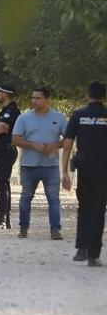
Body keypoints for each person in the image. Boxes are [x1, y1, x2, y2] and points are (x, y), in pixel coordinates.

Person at [62, 81, 107, 266]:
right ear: (103, 97)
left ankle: (81, 249)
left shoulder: (79, 115)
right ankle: (93, 256)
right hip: (104, 168)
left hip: (85, 167)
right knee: (98, 210)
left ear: (87, 96)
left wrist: (64, 172)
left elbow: (67, 144)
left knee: (84, 208)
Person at [12, 87, 66, 240]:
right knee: (26, 197)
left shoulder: (59, 117)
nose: (34, 101)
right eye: (33, 98)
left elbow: (67, 139)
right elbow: (15, 139)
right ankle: (23, 228)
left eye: (38, 98)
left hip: (51, 166)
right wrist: (34, 145)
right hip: (29, 165)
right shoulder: (24, 118)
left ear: (47, 99)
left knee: (53, 198)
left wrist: (53, 146)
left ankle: (55, 229)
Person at [0, 84, 21, 229]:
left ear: (5, 94)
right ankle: (5, 219)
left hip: (7, 150)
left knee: (2, 185)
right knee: (2, 185)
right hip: (1, 150)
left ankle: (2, 219)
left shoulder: (11, 111)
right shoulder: (5, 111)